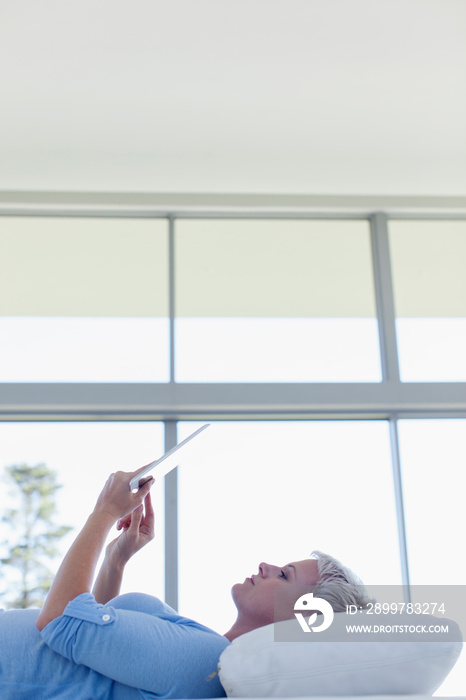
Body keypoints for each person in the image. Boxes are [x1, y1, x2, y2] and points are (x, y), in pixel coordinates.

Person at [0, 465, 370, 699]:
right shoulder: (207, 653)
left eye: (284, 574)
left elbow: (60, 622)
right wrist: (116, 559)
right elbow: (90, 649)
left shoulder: (204, 661)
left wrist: (105, 512)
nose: (267, 565)